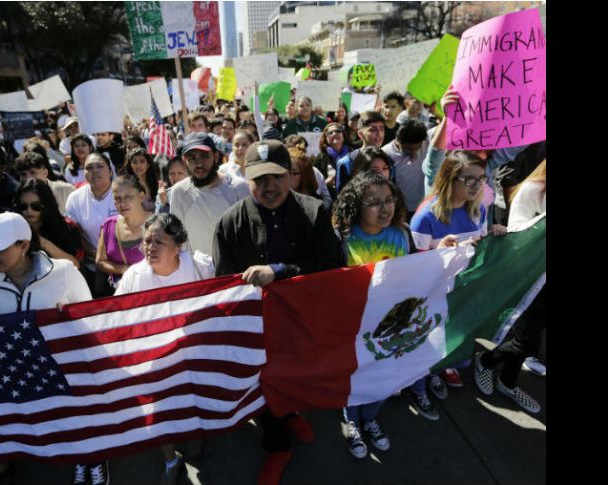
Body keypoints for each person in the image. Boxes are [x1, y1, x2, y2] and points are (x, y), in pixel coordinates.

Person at [213, 139, 342, 485]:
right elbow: (224, 284)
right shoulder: (230, 222)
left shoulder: (315, 212)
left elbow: (331, 267)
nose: (269, 186)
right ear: (247, 179)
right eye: (260, 179)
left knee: (295, 375)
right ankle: (276, 446)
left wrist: (281, 271)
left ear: (291, 176)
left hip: (302, 320)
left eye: (277, 176)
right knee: (263, 382)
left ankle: (291, 414)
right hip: (258, 327)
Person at [0, 212, 104, 484]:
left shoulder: (64, 272)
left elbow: (90, 319)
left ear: (24, 245)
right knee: (60, 421)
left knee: (81, 416)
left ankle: (93, 457)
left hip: (68, 367)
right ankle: (77, 455)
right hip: (28, 371)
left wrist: (71, 315)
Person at [114, 213, 215, 485]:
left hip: (191, 351)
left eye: (159, 241)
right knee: (157, 409)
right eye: (147, 241)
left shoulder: (200, 267)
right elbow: (115, 315)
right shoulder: (134, 276)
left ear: (178, 246)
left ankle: (195, 434)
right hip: (153, 356)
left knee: (193, 396)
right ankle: (171, 459)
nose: (150, 247)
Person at [330, 171, 410, 458]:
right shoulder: (342, 238)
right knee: (356, 378)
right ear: (356, 206)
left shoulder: (402, 233)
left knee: (384, 379)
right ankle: (352, 421)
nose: (384, 208)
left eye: (389, 200)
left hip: (390, 326)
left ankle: (371, 418)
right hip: (354, 327)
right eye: (374, 203)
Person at [411, 150, 499, 393]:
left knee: (454, 340)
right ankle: (425, 378)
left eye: (481, 178)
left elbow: (480, 246)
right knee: (430, 339)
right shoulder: (425, 217)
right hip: (435, 294)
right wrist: (442, 251)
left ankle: (442, 366)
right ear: (450, 178)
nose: (477, 185)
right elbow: (413, 267)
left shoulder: (479, 209)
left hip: (464, 290)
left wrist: (495, 234)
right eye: (469, 179)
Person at [474, 159, 546, 414]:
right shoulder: (532, 190)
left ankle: (508, 383)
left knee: (531, 338)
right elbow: (518, 237)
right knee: (525, 342)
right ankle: (485, 360)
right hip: (528, 279)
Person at [169, 132, 250, 258]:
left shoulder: (238, 187)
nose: (199, 164)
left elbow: (249, 236)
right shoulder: (179, 192)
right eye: (192, 158)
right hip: (197, 269)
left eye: (204, 156)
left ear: (215, 156)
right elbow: (178, 241)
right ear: (185, 162)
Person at [65, 153, 119, 298]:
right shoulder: (75, 198)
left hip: (124, 266)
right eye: (89, 168)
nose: (94, 171)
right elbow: (75, 233)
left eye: (100, 166)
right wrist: (98, 255)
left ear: (110, 171)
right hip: (92, 268)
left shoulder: (122, 193)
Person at [95, 175, 151, 290]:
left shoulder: (157, 224)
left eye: (128, 197)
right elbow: (100, 261)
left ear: (141, 196)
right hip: (122, 293)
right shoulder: (109, 225)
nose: (122, 204)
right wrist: (123, 269)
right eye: (117, 198)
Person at [14, 179, 84, 269]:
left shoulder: (66, 228)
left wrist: (43, 242)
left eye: (36, 206)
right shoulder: (13, 228)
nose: (29, 210)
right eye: (23, 206)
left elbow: (75, 265)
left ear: (47, 205)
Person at [382, 119, 429, 219]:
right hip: (400, 212)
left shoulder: (426, 142)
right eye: (409, 148)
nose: (414, 152)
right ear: (398, 140)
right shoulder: (385, 154)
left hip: (423, 207)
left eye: (417, 148)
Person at [335, 111, 386, 192]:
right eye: (373, 130)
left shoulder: (388, 159)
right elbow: (342, 195)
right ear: (360, 134)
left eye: (382, 129)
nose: (379, 134)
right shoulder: (346, 162)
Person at [14, 150, 75, 216]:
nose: (28, 178)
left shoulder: (66, 190)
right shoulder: (17, 197)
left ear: (45, 173)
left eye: (33, 173)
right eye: (23, 174)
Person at [313, 122, 349, 196]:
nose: (334, 134)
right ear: (326, 138)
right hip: (329, 197)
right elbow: (314, 184)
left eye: (338, 131)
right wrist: (326, 183)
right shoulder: (321, 157)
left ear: (343, 135)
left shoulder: (353, 153)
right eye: (330, 133)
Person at [124, 147, 159, 211]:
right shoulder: (127, 186)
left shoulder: (157, 184)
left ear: (148, 164)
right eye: (134, 162)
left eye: (142, 162)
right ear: (130, 165)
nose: (138, 165)